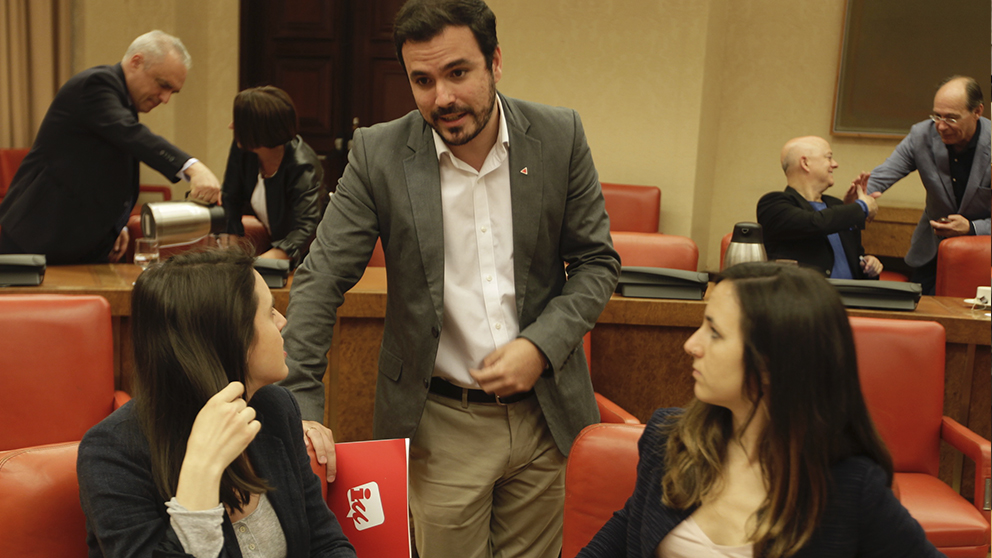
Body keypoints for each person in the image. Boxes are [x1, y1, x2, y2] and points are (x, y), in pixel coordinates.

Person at [279, 0, 620, 556]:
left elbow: (595, 262)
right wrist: (299, 403)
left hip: (546, 417)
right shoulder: (379, 153)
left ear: (495, 62)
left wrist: (540, 344)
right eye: (422, 80)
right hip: (439, 425)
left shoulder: (559, 136)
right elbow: (321, 279)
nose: (442, 98)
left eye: (458, 73)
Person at [576, 262, 944, 558]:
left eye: (715, 332)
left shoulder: (848, 486)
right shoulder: (670, 439)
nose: (691, 344)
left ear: (771, 363)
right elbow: (625, 533)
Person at [77, 249, 357, 558]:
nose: (283, 321)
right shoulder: (113, 452)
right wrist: (202, 470)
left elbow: (326, 543)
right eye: (270, 311)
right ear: (228, 336)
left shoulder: (276, 409)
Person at [0, 30, 222, 265]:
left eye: (172, 92)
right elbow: (132, 135)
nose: (165, 98)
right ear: (136, 62)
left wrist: (117, 226)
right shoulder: (95, 85)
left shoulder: (121, 100)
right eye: (163, 85)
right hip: (39, 235)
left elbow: (101, 173)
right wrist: (192, 167)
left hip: (82, 243)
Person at [867, 76, 991, 294]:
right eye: (937, 116)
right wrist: (859, 199)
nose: (941, 126)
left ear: (977, 112)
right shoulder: (921, 135)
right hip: (932, 253)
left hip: (983, 257)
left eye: (952, 118)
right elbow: (882, 176)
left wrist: (972, 228)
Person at [221, 86, 324, 266]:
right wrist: (230, 254)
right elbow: (231, 198)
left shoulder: (303, 166)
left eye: (239, 122)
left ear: (258, 129)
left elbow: (304, 230)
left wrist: (254, 265)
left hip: (312, 258)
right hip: (274, 253)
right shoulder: (243, 149)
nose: (231, 126)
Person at [757, 136, 883, 279]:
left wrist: (867, 263)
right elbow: (815, 223)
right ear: (805, 163)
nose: (835, 164)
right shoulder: (773, 204)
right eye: (829, 158)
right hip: (807, 298)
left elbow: (854, 258)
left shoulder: (836, 205)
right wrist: (861, 207)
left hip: (854, 298)